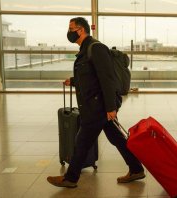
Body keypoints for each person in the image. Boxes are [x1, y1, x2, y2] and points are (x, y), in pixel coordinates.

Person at [47, 17, 145, 188]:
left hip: (98, 106)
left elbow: (107, 80)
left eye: (72, 29)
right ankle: (136, 169)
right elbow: (92, 76)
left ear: (81, 30)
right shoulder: (86, 50)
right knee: (117, 138)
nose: (69, 32)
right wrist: (74, 80)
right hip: (96, 104)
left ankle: (71, 178)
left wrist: (111, 108)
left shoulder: (96, 48)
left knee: (82, 141)